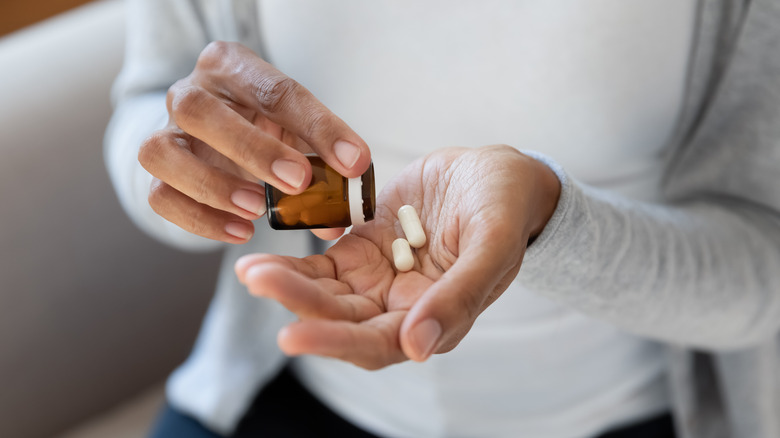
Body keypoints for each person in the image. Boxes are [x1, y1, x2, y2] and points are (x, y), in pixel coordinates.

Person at [104, 1, 780, 437]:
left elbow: (763, 267)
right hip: (286, 387)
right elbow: (147, 106)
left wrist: (548, 219)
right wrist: (195, 176)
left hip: (631, 415)